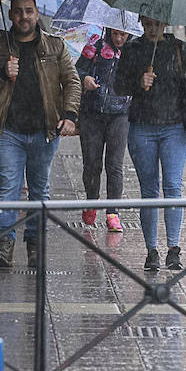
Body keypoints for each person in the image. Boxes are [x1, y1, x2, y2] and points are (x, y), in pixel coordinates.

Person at [0, 0, 81, 268]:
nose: (24, 17)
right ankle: (4, 246)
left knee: (39, 190)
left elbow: (72, 81)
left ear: (37, 14)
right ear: (10, 15)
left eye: (29, 11)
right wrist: (1, 72)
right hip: (8, 130)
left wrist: (69, 115)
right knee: (8, 187)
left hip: (44, 131)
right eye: (19, 12)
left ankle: (35, 244)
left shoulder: (55, 47)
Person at [115, 17, 186, 272]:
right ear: (141, 22)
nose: (152, 29)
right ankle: (151, 250)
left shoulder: (179, 48)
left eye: (157, 24)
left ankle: (173, 249)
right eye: (148, 23)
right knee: (149, 190)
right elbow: (119, 85)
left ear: (165, 23)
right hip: (142, 127)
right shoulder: (132, 49)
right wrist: (138, 83)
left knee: (173, 186)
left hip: (174, 127)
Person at [75, 28, 132, 233]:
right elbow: (78, 70)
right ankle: (92, 201)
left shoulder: (135, 50)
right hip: (92, 113)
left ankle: (112, 212)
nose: (118, 39)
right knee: (91, 162)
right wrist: (85, 79)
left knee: (115, 164)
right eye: (115, 34)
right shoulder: (95, 45)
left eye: (123, 35)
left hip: (121, 114)